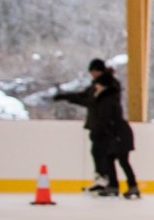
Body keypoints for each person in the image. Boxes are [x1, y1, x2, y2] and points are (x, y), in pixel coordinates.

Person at [53, 58, 138, 198]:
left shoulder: (107, 99)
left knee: (118, 159)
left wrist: (99, 130)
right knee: (108, 158)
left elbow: (95, 107)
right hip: (112, 131)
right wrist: (67, 96)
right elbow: (88, 100)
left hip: (116, 133)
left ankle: (124, 185)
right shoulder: (101, 94)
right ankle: (112, 184)